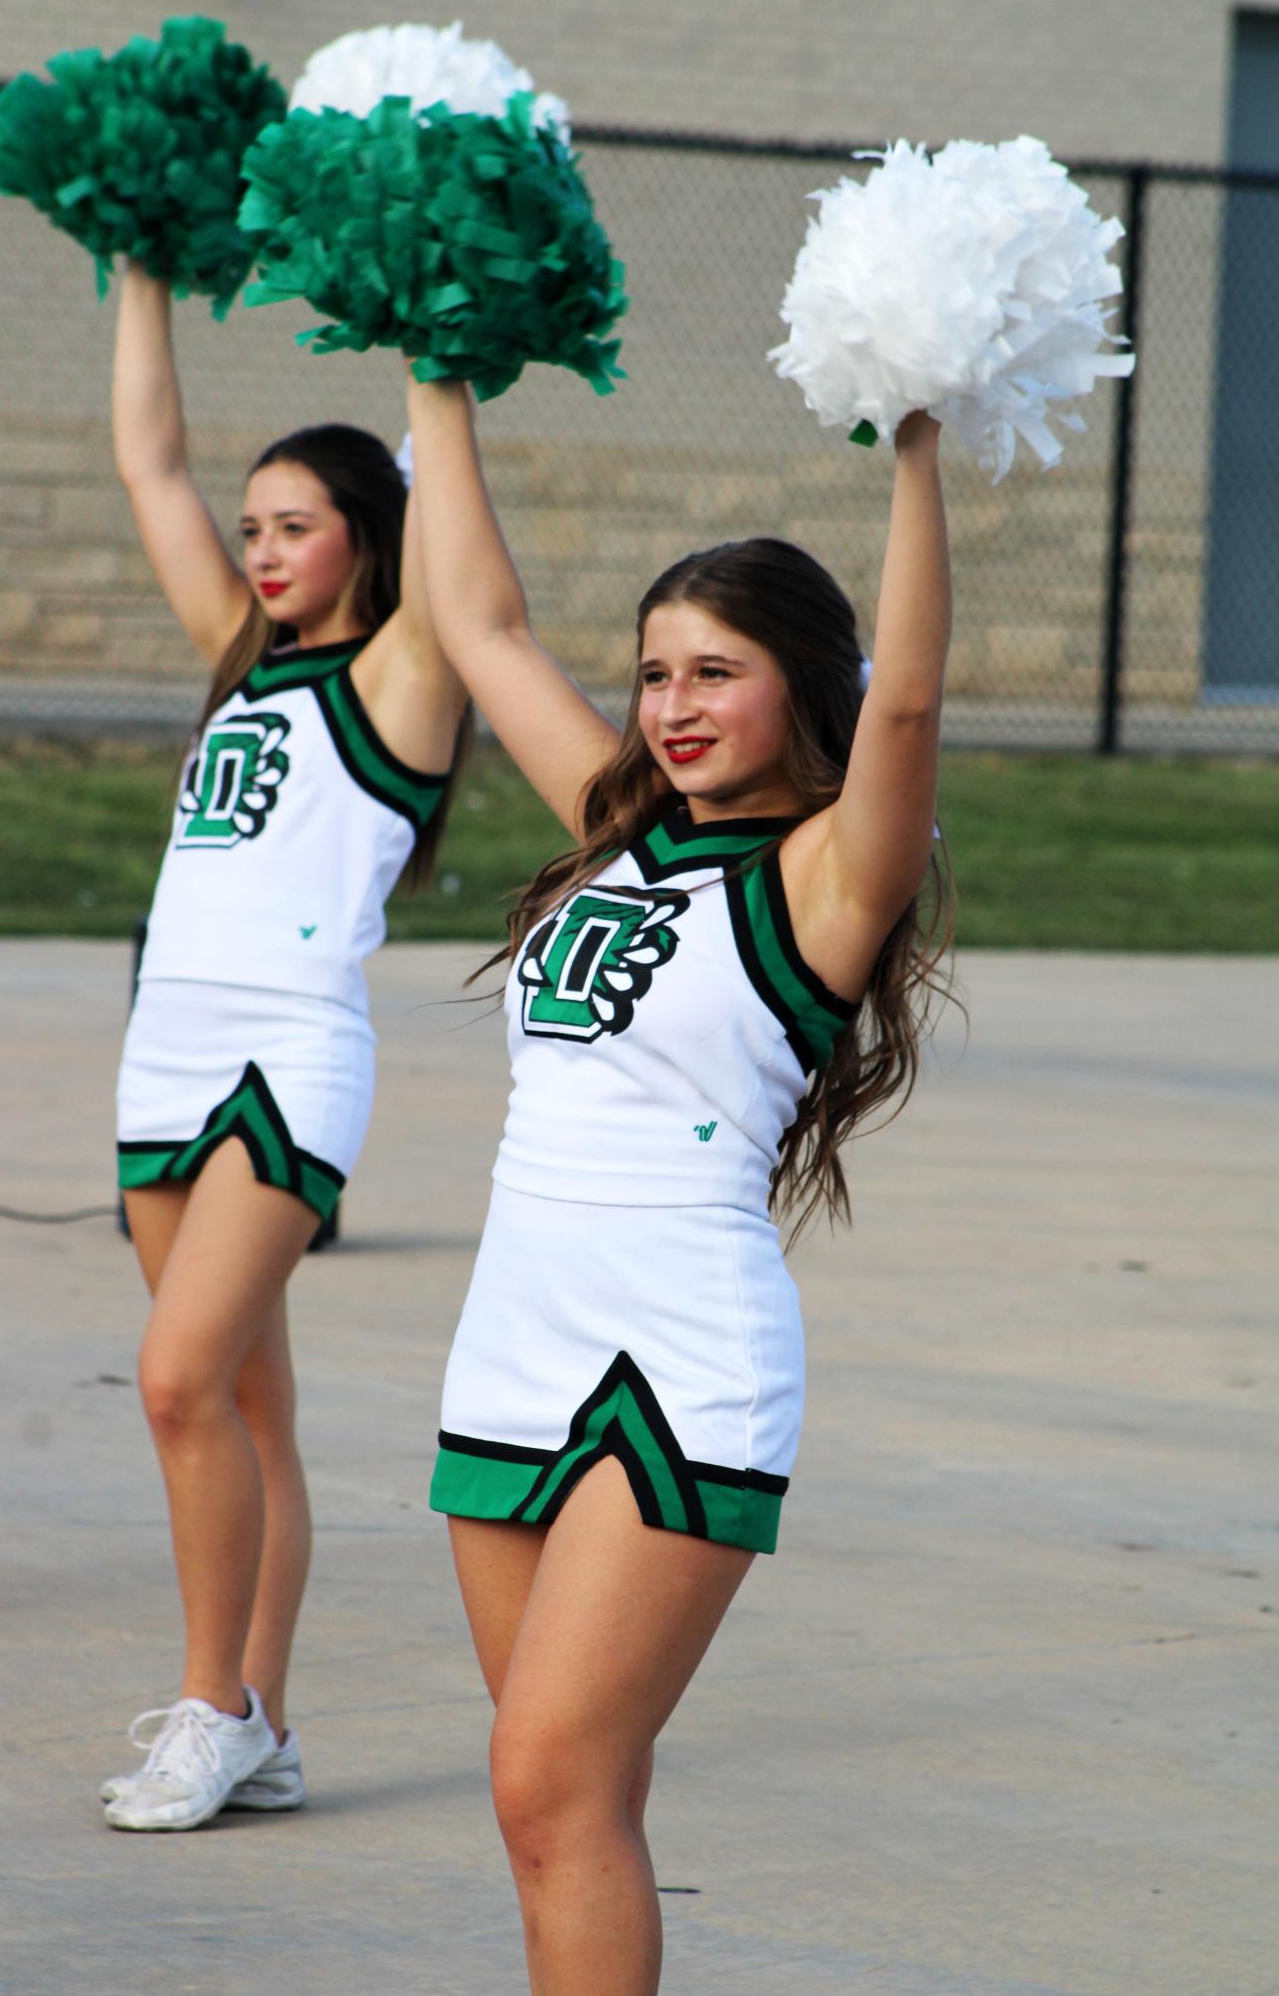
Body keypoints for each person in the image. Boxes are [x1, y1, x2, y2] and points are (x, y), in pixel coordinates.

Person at [405, 366, 953, 1994]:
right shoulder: (614, 827)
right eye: (652, 672)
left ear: (803, 685)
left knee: (544, 1779)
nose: (671, 703)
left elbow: (912, 706)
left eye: (716, 670)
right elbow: (483, 623)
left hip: (676, 1356)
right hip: (511, 1339)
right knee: (557, 1798)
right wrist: (434, 371)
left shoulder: (834, 869)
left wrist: (918, 440)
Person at [99, 266, 469, 1832]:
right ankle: (270, 1728)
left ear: (365, 541)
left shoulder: (404, 673)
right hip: (162, 1056)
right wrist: (136, 270)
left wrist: (437, 351)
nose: (258, 549)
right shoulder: (238, 658)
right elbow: (148, 463)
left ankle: (212, 1707)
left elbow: (455, 544)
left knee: (178, 1384)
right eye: (253, 528)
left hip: (281, 1063)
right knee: (249, 1414)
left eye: (294, 524)